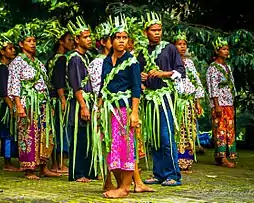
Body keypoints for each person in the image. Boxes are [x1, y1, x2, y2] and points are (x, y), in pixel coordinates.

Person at [7, 26, 60, 179]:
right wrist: (18, 106)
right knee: (28, 134)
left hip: (43, 102)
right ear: (21, 44)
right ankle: (29, 169)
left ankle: (44, 166)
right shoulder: (17, 62)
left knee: (45, 133)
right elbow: (14, 84)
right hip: (27, 102)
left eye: (34, 41)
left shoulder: (37, 62)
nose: (33, 44)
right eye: (29, 41)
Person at [138, 12, 185, 186]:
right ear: (146, 32)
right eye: (153, 30)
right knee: (154, 137)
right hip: (149, 99)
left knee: (166, 137)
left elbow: (181, 71)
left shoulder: (170, 49)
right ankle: (158, 173)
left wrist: (162, 73)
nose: (157, 33)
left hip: (165, 98)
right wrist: (141, 79)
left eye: (159, 30)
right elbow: (137, 74)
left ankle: (173, 174)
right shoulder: (142, 52)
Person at [99, 16, 142, 198]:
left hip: (124, 110)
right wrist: (98, 108)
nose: (121, 41)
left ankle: (124, 188)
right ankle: (120, 185)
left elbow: (136, 88)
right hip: (109, 110)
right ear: (111, 40)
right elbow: (103, 85)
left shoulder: (132, 62)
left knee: (126, 147)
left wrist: (134, 113)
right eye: (118, 37)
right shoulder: (107, 61)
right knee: (111, 147)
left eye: (125, 37)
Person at [66, 16, 96, 183]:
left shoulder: (85, 57)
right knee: (79, 136)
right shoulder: (75, 58)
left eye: (89, 36)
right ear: (77, 39)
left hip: (87, 102)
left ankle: (87, 171)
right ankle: (77, 173)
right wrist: (83, 105)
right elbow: (76, 84)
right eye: (85, 37)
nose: (89, 39)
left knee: (86, 137)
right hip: (79, 103)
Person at [173, 31, 205, 173]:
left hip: (189, 102)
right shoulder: (170, 61)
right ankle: (176, 161)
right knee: (178, 131)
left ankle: (187, 161)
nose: (182, 47)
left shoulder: (190, 63)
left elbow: (196, 82)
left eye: (184, 44)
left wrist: (197, 102)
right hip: (177, 102)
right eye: (179, 44)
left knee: (189, 131)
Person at [46, 30, 74, 174]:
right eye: (69, 40)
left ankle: (55, 163)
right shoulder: (62, 59)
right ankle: (60, 165)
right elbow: (59, 81)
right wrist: (63, 99)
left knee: (54, 129)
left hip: (51, 98)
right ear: (61, 42)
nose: (72, 42)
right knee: (61, 129)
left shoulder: (51, 58)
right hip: (58, 98)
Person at [206, 37, 236, 168]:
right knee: (220, 129)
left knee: (229, 129)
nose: (226, 52)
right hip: (220, 104)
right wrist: (216, 105)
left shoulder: (227, 67)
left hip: (228, 102)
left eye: (227, 49)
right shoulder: (213, 68)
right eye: (223, 49)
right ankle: (222, 157)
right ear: (217, 51)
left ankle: (223, 156)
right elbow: (212, 87)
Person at [0, 37, 19, 172]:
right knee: (7, 132)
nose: (13, 50)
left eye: (13, 48)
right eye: (10, 48)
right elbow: (3, 91)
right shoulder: (2, 68)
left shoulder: (8, 67)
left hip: (9, 103)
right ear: (2, 52)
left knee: (10, 131)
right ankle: (7, 162)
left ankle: (10, 159)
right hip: (6, 104)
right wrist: (11, 107)